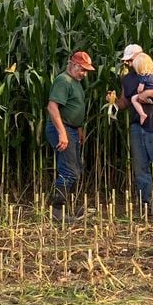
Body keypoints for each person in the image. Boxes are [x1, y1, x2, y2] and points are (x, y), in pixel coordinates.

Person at [107, 44, 153, 218]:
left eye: (131, 60)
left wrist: (149, 93)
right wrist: (113, 101)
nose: (129, 64)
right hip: (137, 127)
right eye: (127, 61)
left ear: (141, 56)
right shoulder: (128, 79)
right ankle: (146, 208)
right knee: (140, 171)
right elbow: (125, 102)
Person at [46, 51, 95, 220]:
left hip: (72, 129)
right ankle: (57, 212)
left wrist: (79, 129)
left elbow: (74, 107)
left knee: (75, 169)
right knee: (69, 171)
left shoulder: (76, 83)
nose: (84, 74)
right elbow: (52, 107)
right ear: (73, 65)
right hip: (62, 128)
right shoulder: (63, 81)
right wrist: (62, 133)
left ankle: (64, 209)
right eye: (82, 69)